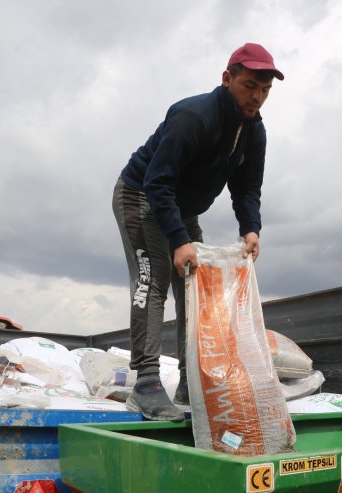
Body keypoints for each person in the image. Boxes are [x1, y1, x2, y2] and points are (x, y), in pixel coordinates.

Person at [112, 43, 284, 421]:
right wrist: (179, 240)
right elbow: (158, 183)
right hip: (141, 196)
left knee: (196, 291)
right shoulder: (193, 116)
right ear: (228, 78)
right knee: (153, 282)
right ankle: (146, 385)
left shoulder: (254, 131)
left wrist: (250, 228)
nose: (257, 96)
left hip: (182, 208)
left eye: (265, 90)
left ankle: (192, 383)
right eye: (250, 85)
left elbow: (247, 188)